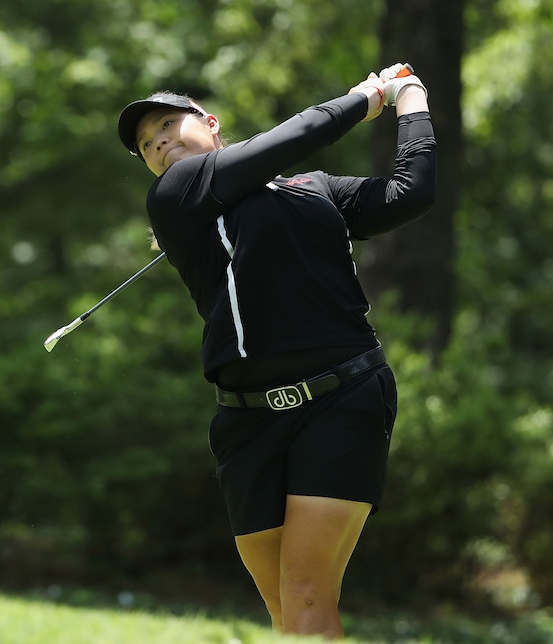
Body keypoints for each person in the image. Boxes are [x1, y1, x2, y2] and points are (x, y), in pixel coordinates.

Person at [116, 64, 435, 639]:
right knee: (291, 615)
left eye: (168, 123)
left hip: (341, 397)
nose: (158, 141)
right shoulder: (176, 194)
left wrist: (410, 100)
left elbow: (409, 194)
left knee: (308, 597)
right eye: (146, 143)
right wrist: (364, 97)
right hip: (246, 421)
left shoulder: (315, 190)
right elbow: (298, 132)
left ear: (211, 125)